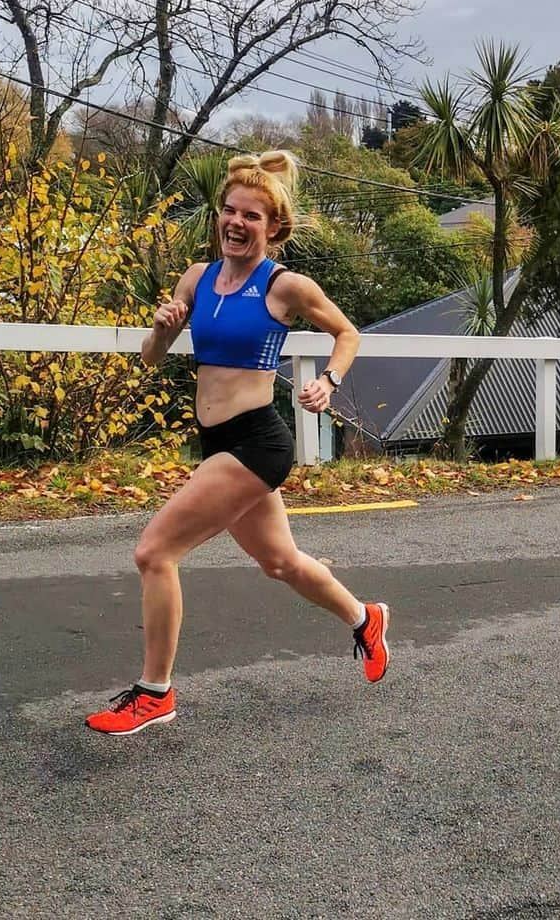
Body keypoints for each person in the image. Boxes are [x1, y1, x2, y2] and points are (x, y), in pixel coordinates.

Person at [86, 150, 389, 736]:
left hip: (256, 442)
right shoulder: (196, 279)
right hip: (217, 442)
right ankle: (364, 617)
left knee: (154, 552)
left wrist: (329, 380)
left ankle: (155, 693)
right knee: (280, 562)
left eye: (251, 215)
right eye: (229, 210)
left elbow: (347, 332)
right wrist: (162, 329)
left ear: (273, 228)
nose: (236, 222)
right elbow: (151, 360)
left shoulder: (285, 286)